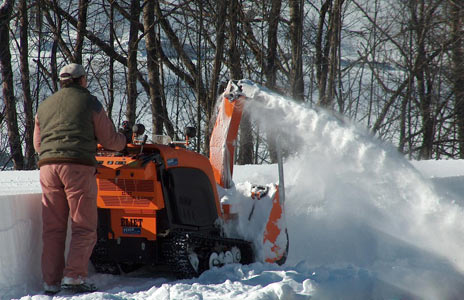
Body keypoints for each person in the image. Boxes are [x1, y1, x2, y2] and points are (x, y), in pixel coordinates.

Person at [33, 63, 127, 294]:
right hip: (77, 167)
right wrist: (124, 141)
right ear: (82, 80)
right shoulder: (90, 102)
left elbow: (38, 145)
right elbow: (109, 140)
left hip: (47, 168)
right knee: (83, 225)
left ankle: (51, 282)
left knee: (53, 228)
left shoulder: (44, 106)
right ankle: (74, 277)